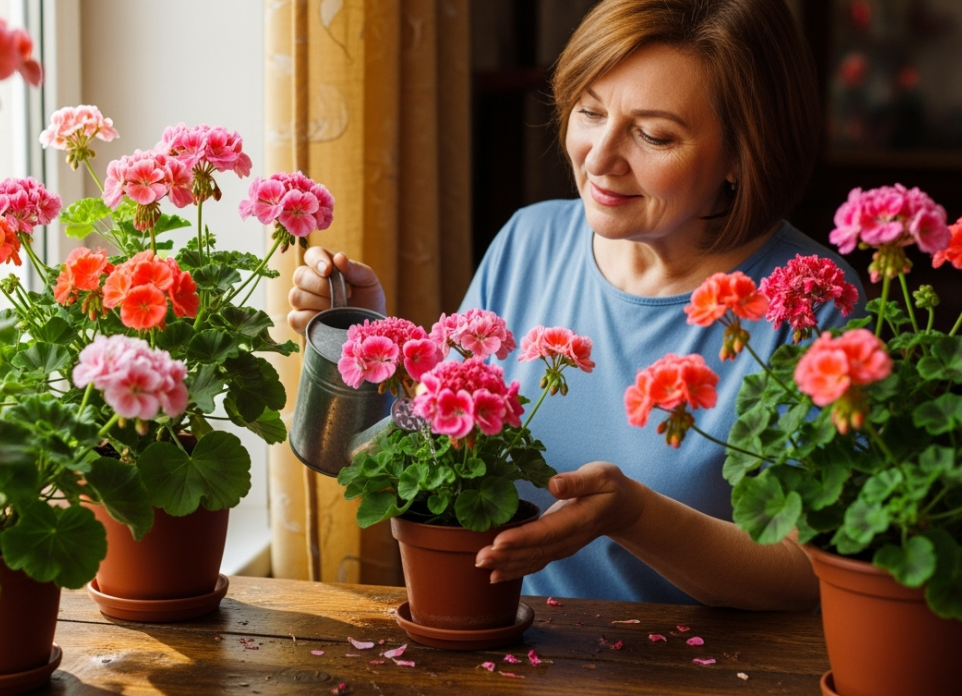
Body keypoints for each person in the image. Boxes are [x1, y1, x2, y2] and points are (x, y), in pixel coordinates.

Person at [287, 0, 862, 611]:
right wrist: (388, 355)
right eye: (589, 111)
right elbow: (434, 452)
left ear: (742, 156)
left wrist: (635, 516)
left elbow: (814, 575)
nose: (599, 157)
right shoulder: (527, 242)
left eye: (653, 135)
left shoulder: (813, 304)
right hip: (503, 651)